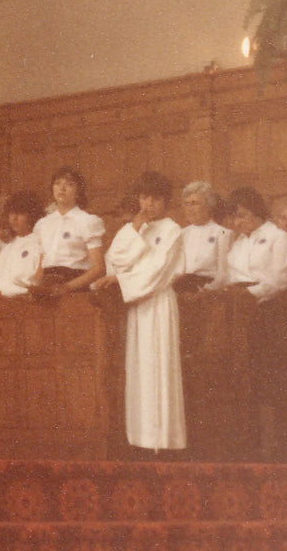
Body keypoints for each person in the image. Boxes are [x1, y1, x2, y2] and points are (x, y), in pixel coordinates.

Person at [92, 170, 186, 453]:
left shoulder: (172, 230)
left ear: (165, 202)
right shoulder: (132, 228)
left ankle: (164, 441)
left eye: (156, 200)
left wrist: (122, 280)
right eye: (144, 198)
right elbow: (115, 260)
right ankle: (141, 439)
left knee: (159, 368)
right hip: (136, 307)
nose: (149, 205)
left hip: (157, 303)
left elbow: (158, 271)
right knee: (139, 370)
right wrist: (134, 229)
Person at [223, 184, 287, 457]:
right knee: (248, 378)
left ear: (256, 212)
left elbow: (278, 280)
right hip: (241, 314)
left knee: (273, 378)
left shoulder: (279, 238)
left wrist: (247, 296)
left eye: (242, 215)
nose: (238, 222)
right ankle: (253, 442)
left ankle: (280, 443)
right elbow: (231, 275)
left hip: (270, 313)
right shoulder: (239, 243)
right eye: (235, 217)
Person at [33, 165, 105, 294]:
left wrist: (67, 287)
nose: (62, 188)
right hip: (48, 286)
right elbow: (41, 266)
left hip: (74, 286)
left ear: (78, 191)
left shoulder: (87, 221)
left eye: (69, 184)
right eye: (57, 183)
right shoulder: (43, 224)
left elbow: (99, 268)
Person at [174, 180, 231, 292]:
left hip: (209, 291)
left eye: (195, 203)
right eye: (187, 204)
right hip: (182, 289)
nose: (190, 209)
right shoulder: (181, 233)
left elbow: (223, 274)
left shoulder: (222, 233)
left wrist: (206, 291)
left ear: (209, 205)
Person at [0, 190, 43, 299]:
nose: (14, 218)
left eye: (20, 213)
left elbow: (35, 281)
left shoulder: (39, 244)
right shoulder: (6, 248)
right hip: (4, 302)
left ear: (32, 215)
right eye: (11, 213)